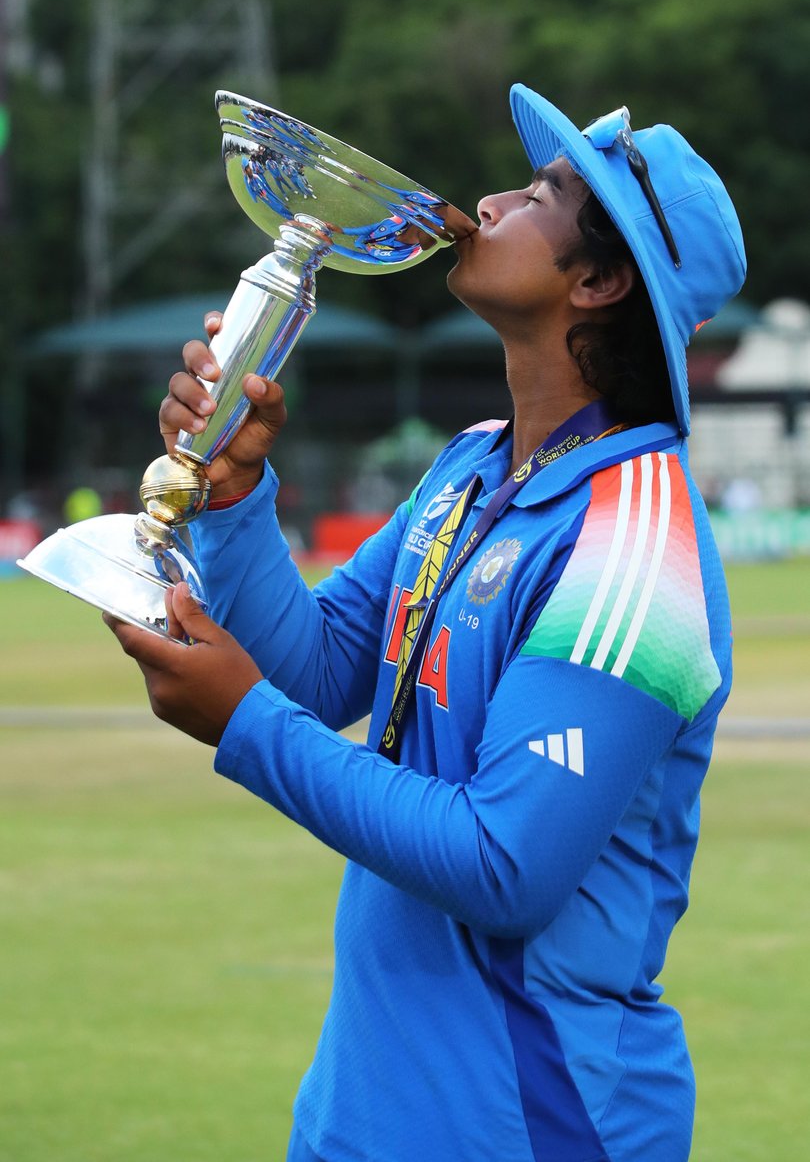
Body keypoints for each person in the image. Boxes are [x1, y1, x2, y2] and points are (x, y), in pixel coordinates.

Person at [107, 85, 746, 1161]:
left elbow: (506, 866)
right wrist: (234, 497)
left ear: (600, 280)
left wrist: (247, 727)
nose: (489, 201)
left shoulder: (638, 544)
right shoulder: (471, 465)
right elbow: (316, 671)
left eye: (540, 193)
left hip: (527, 1125)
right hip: (359, 1113)